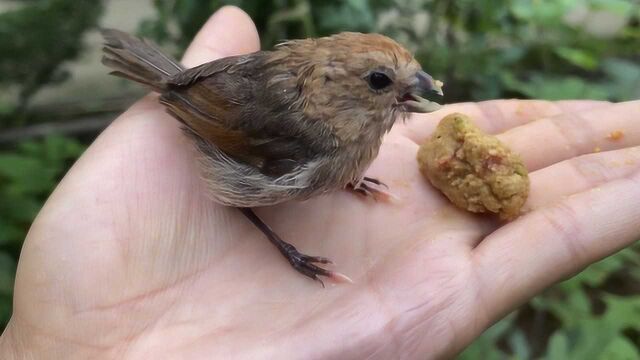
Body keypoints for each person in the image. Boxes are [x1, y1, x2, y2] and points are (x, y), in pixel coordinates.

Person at [1, 6, 638, 359]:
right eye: (382, 86)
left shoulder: (341, 123)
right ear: (336, 86)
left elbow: (242, 69)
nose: (409, 95)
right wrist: (290, 249)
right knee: (265, 192)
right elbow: (230, 169)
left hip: (241, 90)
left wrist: (349, 175)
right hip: (220, 117)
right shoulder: (304, 138)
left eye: (406, 81)